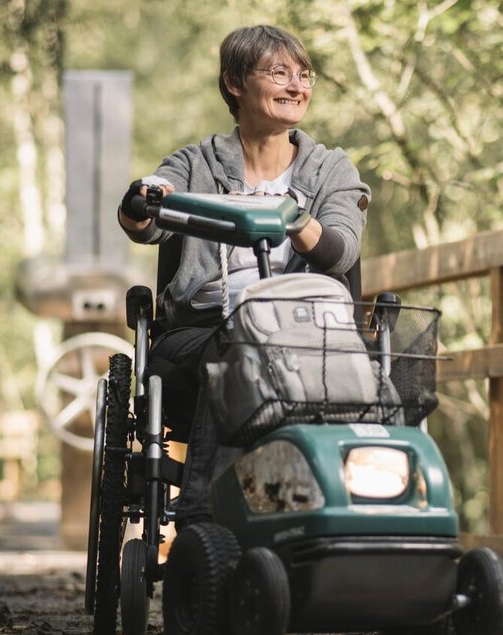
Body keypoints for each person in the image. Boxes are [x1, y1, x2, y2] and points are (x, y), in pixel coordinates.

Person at [117, 24, 370, 525]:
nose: (296, 86)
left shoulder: (331, 171)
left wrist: (291, 218)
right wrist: (142, 200)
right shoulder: (195, 164)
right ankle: (202, 519)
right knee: (237, 345)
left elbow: (341, 251)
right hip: (203, 332)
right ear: (235, 83)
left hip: (305, 333)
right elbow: (144, 221)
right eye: (279, 73)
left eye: (305, 75)